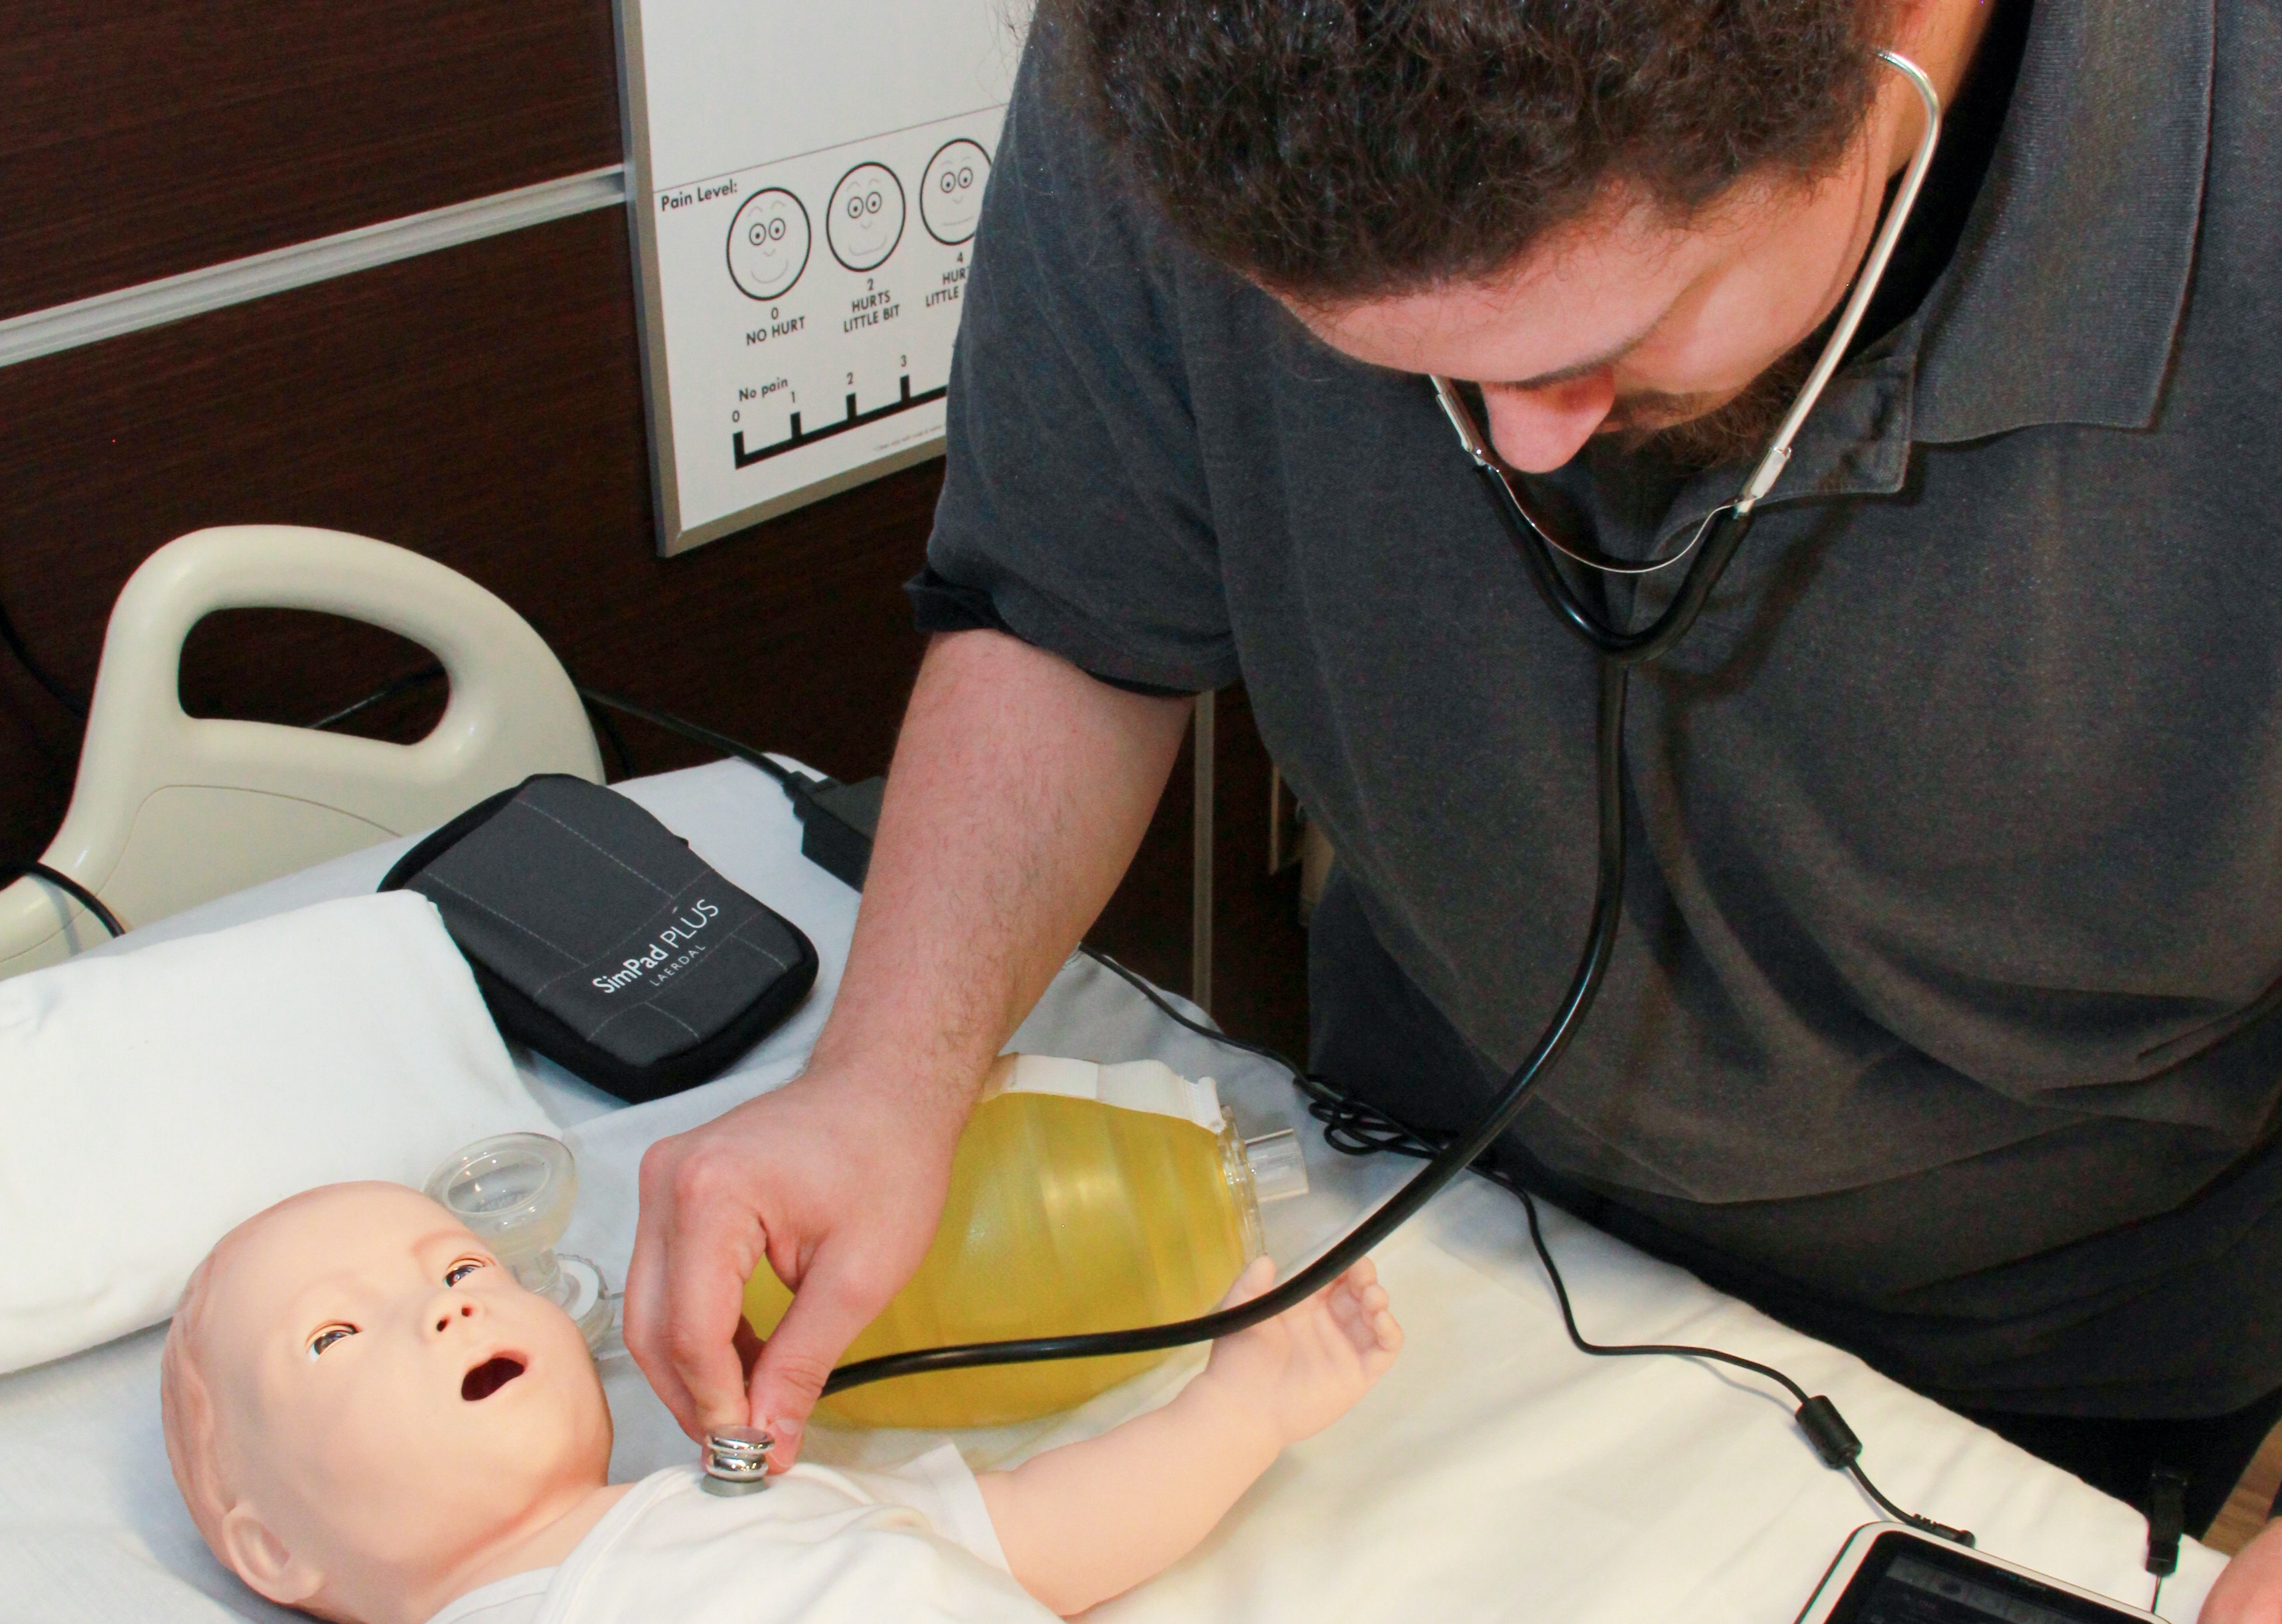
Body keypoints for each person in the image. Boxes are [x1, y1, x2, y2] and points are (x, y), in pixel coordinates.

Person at [627, 0, 2282, 1611]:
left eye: (1601, 346)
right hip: (1431, 1188)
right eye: (1389, 365)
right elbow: (1069, 618)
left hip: (2054, 1331)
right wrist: (886, 1080)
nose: (1518, 444)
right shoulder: (1168, 49)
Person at [159, 1182, 1401, 1623]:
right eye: (332, 1334)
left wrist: (1240, 1414)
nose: (446, 1306)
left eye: (463, 1266)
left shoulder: (753, 1497)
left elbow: (1043, 1533)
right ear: (272, 1545)